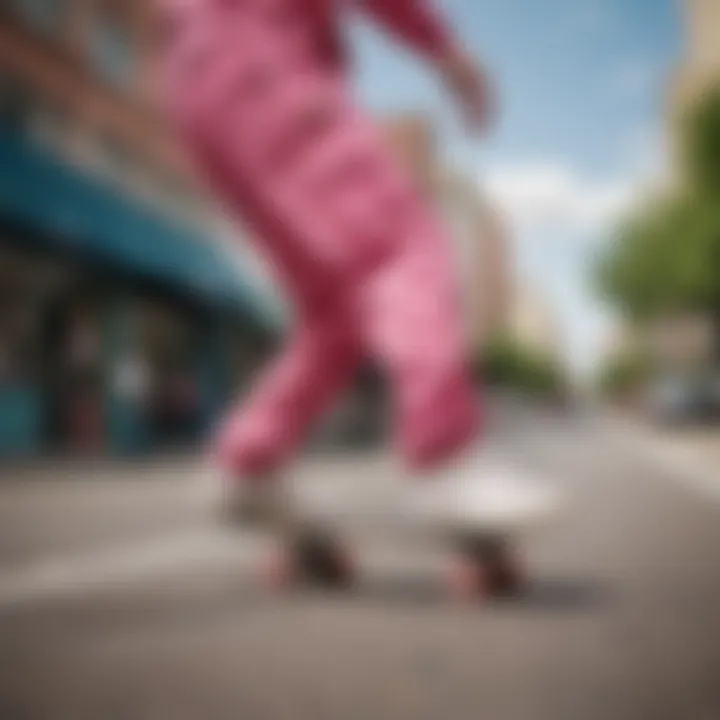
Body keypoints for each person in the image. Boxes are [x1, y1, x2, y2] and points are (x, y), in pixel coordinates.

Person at [156, 0, 494, 582]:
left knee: (334, 314)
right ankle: (443, 459)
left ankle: (249, 463)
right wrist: (448, 53)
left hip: (199, 103)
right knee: (401, 245)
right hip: (270, 73)